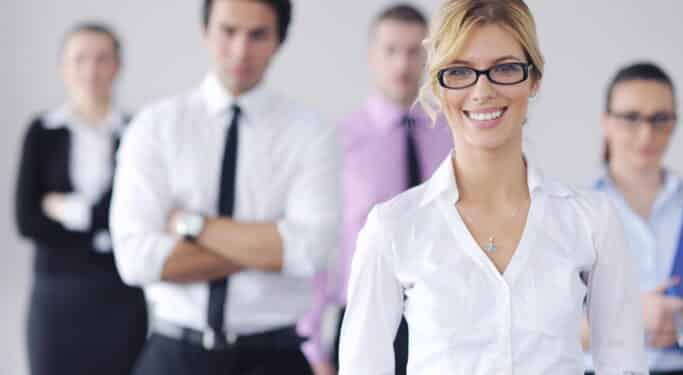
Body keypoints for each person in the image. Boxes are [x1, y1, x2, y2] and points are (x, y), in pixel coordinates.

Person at [338, 0, 648, 373]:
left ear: (535, 78)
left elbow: (624, 363)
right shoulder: (393, 226)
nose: (482, 91)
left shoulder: (591, 220)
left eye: (504, 68)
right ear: (438, 85)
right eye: (460, 71)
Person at [110, 0, 340, 374]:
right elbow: (135, 259)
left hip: (274, 357)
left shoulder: (311, 134)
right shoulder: (154, 127)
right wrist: (269, 246)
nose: (240, 50)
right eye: (228, 31)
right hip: (173, 355)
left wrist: (193, 227)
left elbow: (310, 250)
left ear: (279, 40)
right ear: (205, 32)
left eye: (258, 35)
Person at [297, 4, 453, 375]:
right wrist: (313, 345)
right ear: (371, 56)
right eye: (391, 50)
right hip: (365, 316)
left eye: (415, 52)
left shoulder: (454, 137)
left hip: (444, 319)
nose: (403, 64)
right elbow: (319, 243)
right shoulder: (338, 143)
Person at [582, 62, 683, 375]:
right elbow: (551, 328)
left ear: (674, 124)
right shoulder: (577, 211)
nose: (646, 133)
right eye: (631, 118)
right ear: (606, 122)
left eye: (660, 119)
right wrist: (632, 315)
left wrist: (682, 323)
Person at [14, 22, 147, 375]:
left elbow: (139, 215)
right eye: (80, 59)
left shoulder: (138, 132)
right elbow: (27, 221)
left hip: (119, 295)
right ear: (63, 68)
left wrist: (69, 209)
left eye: (102, 58)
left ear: (117, 67)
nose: (91, 69)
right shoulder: (42, 132)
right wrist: (102, 224)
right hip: (57, 292)